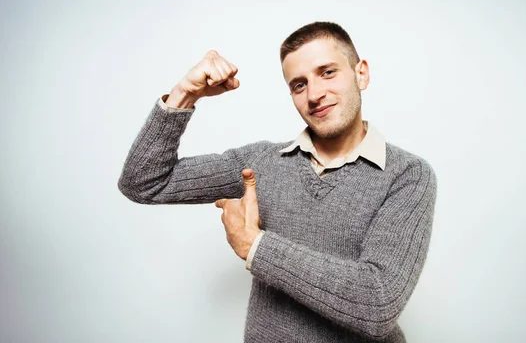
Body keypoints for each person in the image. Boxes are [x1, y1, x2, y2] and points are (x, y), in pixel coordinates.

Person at [118, 21, 437, 342]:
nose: (314, 94)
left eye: (327, 72)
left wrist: (255, 246)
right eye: (299, 85)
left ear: (361, 73)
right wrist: (184, 95)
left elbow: (378, 304)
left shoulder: (407, 174)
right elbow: (144, 182)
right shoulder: (261, 163)